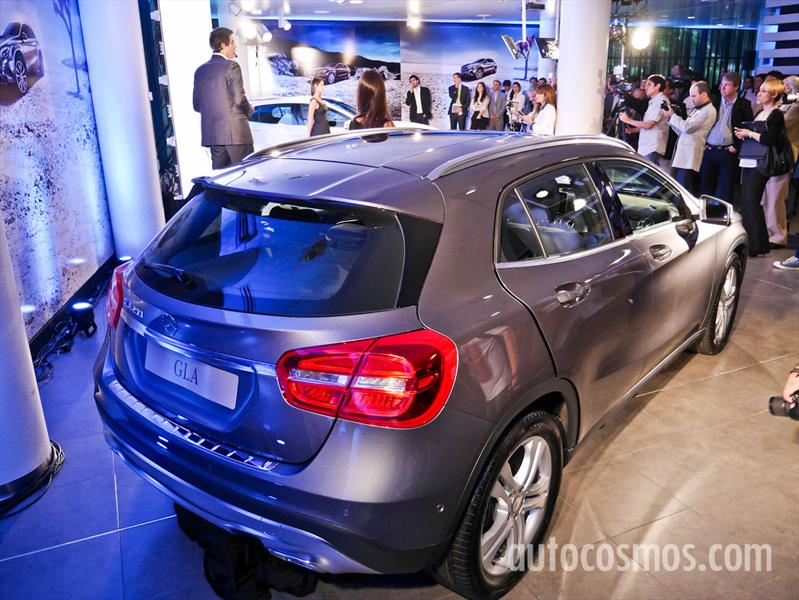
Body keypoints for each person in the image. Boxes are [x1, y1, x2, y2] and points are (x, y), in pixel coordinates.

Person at [733, 78, 788, 257]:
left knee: (751, 200)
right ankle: (756, 243)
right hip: (750, 160)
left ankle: (757, 244)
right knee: (747, 200)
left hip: (761, 162)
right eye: (759, 90)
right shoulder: (760, 113)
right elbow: (759, 137)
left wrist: (750, 133)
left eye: (763, 91)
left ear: (773, 95)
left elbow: (769, 139)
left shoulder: (776, 114)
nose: (759, 93)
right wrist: (746, 135)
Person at [193, 27, 253, 169]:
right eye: (233, 42)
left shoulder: (200, 71)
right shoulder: (232, 66)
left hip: (214, 136)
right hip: (236, 134)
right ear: (223, 45)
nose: (235, 46)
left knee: (222, 181)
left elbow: (196, 105)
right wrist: (249, 110)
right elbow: (239, 99)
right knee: (244, 178)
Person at [698, 72, 754, 204]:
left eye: (727, 85)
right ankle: (704, 215)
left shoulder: (744, 104)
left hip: (728, 151)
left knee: (725, 188)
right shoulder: (713, 101)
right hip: (709, 149)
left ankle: (721, 217)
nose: (722, 88)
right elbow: (702, 122)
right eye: (722, 84)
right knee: (705, 185)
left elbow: (748, 127)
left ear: (736, 87)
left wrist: (737, 146)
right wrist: (703, 142)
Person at [664, 81, 717, 194]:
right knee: (679, 186)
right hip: (684, 152)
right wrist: (670, 119)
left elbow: (687, 128)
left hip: (690, 154)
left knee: (684, 187)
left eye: (693, 95)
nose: (691, 99)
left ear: (703, 94)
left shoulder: (708, 110)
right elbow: (683, 131)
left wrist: (673, 116)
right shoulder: (700, 109)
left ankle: (689, 211)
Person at [618, 74, 670, 165]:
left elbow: (649, 124)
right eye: (645, 84)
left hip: (652, 147)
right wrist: (634, 130)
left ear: (658, 86)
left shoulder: (661, 101)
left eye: (649, 84)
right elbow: (650, 124)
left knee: (648, 178)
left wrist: (628, 120)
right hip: (646, 147)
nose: (645, 87)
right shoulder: (652, 101)